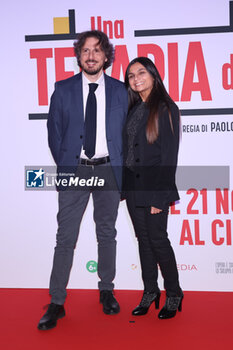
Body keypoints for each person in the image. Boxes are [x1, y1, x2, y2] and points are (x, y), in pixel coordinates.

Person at [38, 30, 128, 330]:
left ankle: (106, 290)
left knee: (107, 232)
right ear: (79, 55)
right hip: (75, 170)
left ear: (106, 57)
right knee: (65, 238)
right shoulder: (62, 89)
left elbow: (126, 137)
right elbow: (55, 135)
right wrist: (67, 166)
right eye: (86, 50)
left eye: (97, 50)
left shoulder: (119, 90)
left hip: (108, 170)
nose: (91, 55)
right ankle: (56, 301)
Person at [123, 57, 183, 319]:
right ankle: (150, 291)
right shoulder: (134, 108)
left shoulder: (167, 107)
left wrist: (161, 196)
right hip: (133, 188)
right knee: (144, 241)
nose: (136, 78)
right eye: (130, 75)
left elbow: (170, 158)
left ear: (153, 75)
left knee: (158, 240)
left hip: (155, 187)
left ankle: (174, 293)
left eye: (141, 72)